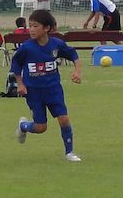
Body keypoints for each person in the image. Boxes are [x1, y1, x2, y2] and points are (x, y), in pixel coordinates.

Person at [11, 9, 82, 162]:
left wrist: (77, 71)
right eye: (30, 26)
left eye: (35, 26)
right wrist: (20, 84)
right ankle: (24, 126)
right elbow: (15, 63)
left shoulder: (56, 45)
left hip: (53, 89)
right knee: (41, 128)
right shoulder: (26, 47)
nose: (31, 29)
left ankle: (69, 152)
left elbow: (73, 55)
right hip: (34, 92)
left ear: (46, 28)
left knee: (64, 119)